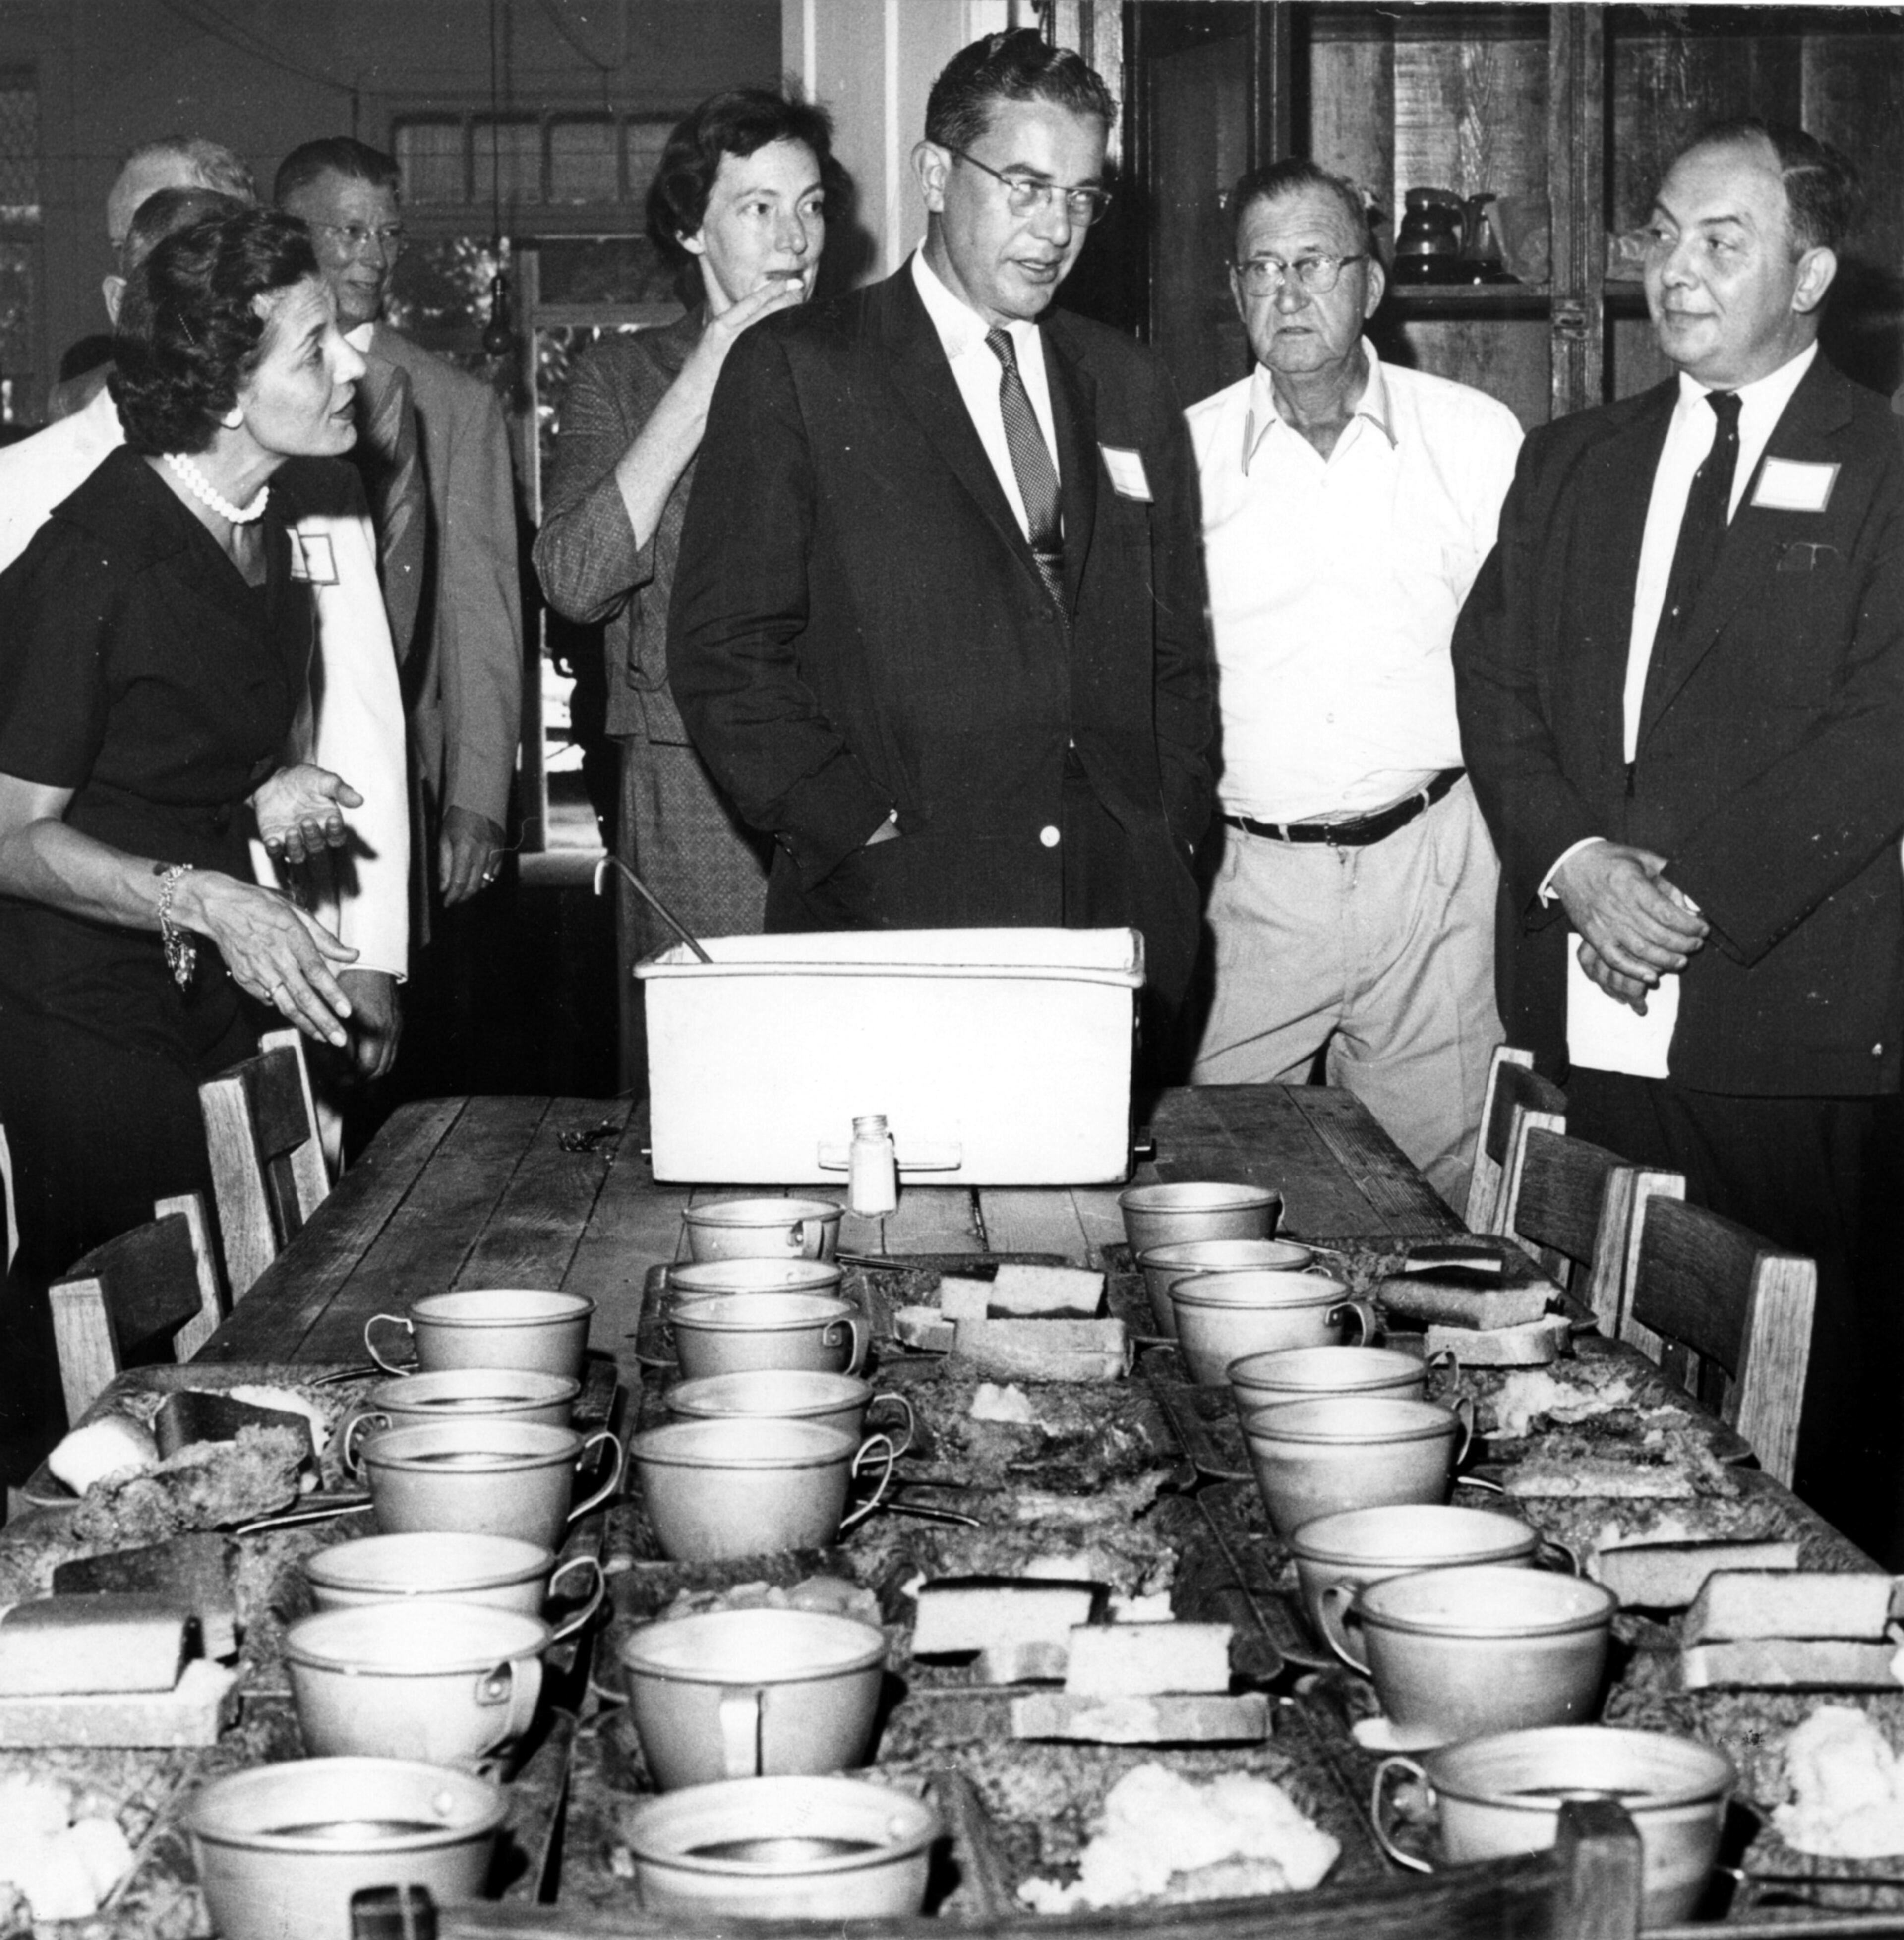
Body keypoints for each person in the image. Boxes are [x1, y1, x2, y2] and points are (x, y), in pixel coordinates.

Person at [1452, 119, 1904, 1537]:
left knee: (1808, 1432)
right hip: (1585, 1007)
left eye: (1724, 241)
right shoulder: (1570, 460)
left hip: (1780, 1025)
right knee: (1584, 1405)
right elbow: (1491, 678)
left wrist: (1679, 901)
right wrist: (1578, 866)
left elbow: (1883, 727)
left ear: (1811, 274)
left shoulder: (1886, 466)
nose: (1677, 268)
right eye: (1662, 233)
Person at [668, 29, 1213, 1045]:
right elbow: (725, 655)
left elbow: (1176, 655)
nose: (1056, 229)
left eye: (1081, 197)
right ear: (932, 174)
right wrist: (858, 833)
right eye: (1025, 187)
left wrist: (1167, 834)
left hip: (1111, 920)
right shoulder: (801, 367)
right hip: (897, 916)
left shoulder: (1130, 384)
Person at [0, 205, 369, 1301]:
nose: (353, 364)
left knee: (240, 1285)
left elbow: (156, 737)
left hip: (195, 970)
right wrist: (203, 896)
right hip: (80, 1003)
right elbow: (9, 837)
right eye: (315, 348)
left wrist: (262, 784)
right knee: (115, 1309)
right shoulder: (96, 561)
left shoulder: (261, 525)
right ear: (226, 393)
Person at [1185, 161, 1521, 1206]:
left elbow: (1528, 669)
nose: (1288, 293)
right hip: (1248, 885)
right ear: (1236, 290)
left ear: (1371, 284)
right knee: (1215, 1194)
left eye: (1316, 263)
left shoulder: (1474, 437)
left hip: (1434, 874)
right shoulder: (1183, 454)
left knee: (1442, 1201)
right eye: (1262, 268)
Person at [536, 88, 838, 1005]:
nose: (796, 239)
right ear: (690, 230)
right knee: (705, 1056)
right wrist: (703, 379)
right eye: (759, 209)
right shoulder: (622, 378)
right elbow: (575, 581)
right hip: (691, 780)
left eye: (812, 205)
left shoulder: (862, 368)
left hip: (852, 772)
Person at [277, 137, 521, 915]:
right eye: (351, 232)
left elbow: (482, 618)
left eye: (388, 234)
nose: (375, 258)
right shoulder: (238, 381)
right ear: (290, 234)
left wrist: (477, 798)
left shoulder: (452, 404)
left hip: (391, 773)